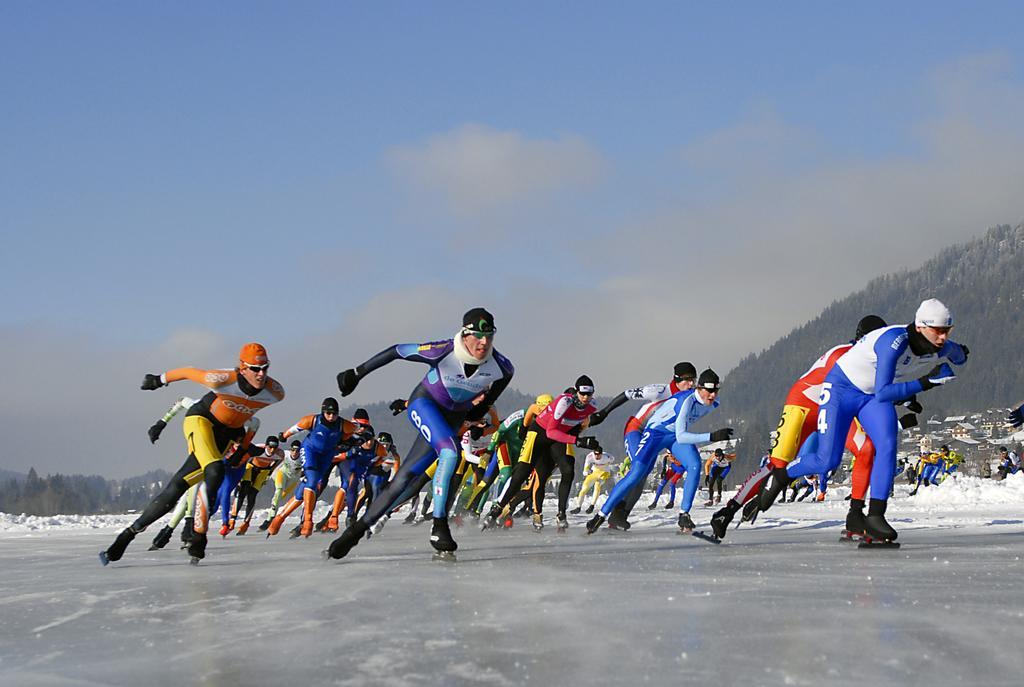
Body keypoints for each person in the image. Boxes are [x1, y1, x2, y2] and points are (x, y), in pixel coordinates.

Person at [759, 299, 968, 543]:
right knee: (827, 460)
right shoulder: (894, 342)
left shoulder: (941, 345)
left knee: (887, 444)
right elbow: (884, 393)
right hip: (843, 390)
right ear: (921, 326)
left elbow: (959, 356)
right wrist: (926, 382)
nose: (942, 337)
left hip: (869, 396)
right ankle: (783, 476)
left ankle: (876, 516)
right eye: (938, 331)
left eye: (947, 331)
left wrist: (961, 353)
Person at [326, 308, 514, 560]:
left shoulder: (502, 367)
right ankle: (439, 525)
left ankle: (352, 534)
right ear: (465, 334)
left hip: (451, 418)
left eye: (489, 336)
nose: (484, 342)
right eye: (478, 336)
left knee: (405, 480)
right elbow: (397, 351)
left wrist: (475, 413)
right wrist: (356, 374)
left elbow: (487, 401)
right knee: (450, 452)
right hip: (424, 404)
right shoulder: (443, 350)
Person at [101, 343, 285, 565]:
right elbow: (189, 371)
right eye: (255, 369)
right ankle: (198, 536)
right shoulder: (222, 379)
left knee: (178, 486)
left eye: (265, 367)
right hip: (201, 420)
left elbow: (253, 422)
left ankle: (126, 536)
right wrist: (159, 380)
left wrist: (243, 447)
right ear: (242, 368)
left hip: (224, 436)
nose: (261, 374)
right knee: (215, 469)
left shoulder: (275, 393)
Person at [708, 315, 889, 538]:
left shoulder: (873, 360)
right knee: (776, 465)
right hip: (804, 406)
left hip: (834, 408)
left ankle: (855, 514)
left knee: (866, 449)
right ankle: (727, 511)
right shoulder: (844, 355)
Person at [587, 369, 732, 534]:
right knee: (638, 472)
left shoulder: (713, 401)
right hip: (653, 432)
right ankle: (601, 515)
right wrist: (711, 436)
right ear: (699, 388)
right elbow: (682, 435)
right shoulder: (675, 397)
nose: (712, 395)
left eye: (715, 390)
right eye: (709, 390)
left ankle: (684, 514)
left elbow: (680, 432)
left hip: (673, 435)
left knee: (694, 465)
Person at [483, 376, 602, 531]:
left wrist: (591, 443)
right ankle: (498, 508)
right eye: (582, 394)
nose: (586, 398)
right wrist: (523, 431)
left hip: (557, 437)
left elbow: (581, 427)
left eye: (589, 394)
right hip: (540, 434)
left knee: (566, 470)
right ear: (575, 394)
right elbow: (534, 419)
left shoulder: (590, 407)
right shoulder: (563, 403)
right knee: (521, 474)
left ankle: (560, 514)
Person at [600, 363, 698, 529]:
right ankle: (610, 511)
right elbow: (626, 394)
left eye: (693, 381)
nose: (691, 385)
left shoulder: (690, 397)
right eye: (687, 380)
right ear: (676, 379)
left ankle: (619, 516)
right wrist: (604, 412)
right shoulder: (659, 391)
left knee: (643, 476)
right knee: (639, 469)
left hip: (657, 436)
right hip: (636, 430)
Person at [267, 398, 362, 537]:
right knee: (312, 481)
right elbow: (296, 428)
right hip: (310, 450)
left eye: (334, 413)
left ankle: (279, 518)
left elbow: (356, 430)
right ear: (323, 412)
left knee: (303, 491)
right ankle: (307, 520)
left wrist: (353, 439)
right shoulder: (312, 420)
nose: (331, 417)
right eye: (328, 413)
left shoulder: (343, 424)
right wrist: (285, 435)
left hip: (326, 456)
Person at [228, 436, 284, 535]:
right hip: (250, 467)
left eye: (275, 448)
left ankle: (246, 523)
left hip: (263, 471)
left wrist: (270, 471)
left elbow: (276, 463)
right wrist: (239, 474)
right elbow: (244, 457)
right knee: (243, 490)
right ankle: (232, 519)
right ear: (266, 446)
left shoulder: (279, 454)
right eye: (270, 447)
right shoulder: (258, 448)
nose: (272, 450)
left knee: (252, 495)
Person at [260, 440, 303, 530]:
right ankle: (270, 518)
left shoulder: (303, 458)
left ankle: (272, 516)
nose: (294, 453)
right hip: (282, 474)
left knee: (280, 498)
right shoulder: (285, 453)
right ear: (290, 449)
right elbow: (269, 449)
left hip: (293, 480)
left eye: (297, 450)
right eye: (293, 450)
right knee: (278, 492)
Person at [570, 448, 617, 514]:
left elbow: (612, 459)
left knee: (597, 485)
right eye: (596, 454)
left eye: (599, 455)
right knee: (584, 488)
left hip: (604, 472)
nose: (597, 456)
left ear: (601, 453)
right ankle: (578, 507)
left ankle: (592, 506)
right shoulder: (590, 457)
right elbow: (586, 468)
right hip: (594, 472)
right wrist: (586, 472)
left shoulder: (607, 456)